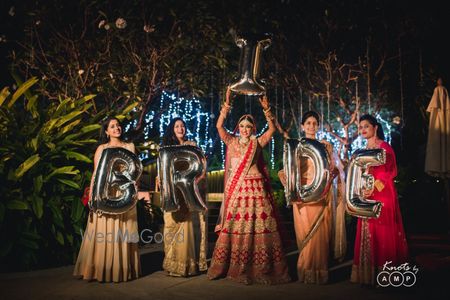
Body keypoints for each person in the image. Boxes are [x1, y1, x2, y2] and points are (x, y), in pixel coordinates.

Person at [207, 87, 291, 285]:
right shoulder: (231, 141)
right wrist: (227, 103)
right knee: (238, 227)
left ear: (252, 129)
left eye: (248, 126)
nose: (245, 129)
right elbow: (219, 126)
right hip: (238, 192)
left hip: (256, 190)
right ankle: (235, 266)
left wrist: (266, 109)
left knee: (262, 226)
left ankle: (263, 267)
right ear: (238, 127)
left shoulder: (256, 143)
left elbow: (271, 130)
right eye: (242, 126)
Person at [278, 111, 346, 284]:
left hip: (320, 195)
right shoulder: (296, 146)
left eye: (315, 123)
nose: (311, 126)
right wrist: (288, 182)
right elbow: (287, 170)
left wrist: (333, 174)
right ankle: (305, 271)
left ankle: (318, 272)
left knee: (320, 234)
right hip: (303, 196)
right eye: (308, 123)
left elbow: (335, 168)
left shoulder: (325, 146)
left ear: (318, 126)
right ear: (302, 126)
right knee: (305, 234)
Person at [73, 117, 140, 282]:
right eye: (112, 126)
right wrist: (92, 197)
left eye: (118, 125)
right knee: (104, 230)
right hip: (105, 195)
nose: (117, 128)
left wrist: (134, 189)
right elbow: (96, 174)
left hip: (124, 195)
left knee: (123, 230)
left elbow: (135, 172)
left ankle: (121, 269)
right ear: (107, 131)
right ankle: (99, 269)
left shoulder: (129, 147)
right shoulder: (102, 149)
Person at [351, 114, 408, 285]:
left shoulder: (384, 147)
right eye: (360, 127)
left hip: (382, 194)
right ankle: (369, 275)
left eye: (366, 126)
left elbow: (391, 171)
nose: (362, 130)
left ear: (375, 127)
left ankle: (386, 275)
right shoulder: (362, 150)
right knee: (369, 231)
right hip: (366, 194)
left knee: (383, 231)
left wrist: (374, 186)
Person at [158, 117, 207, 277]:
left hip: (187, 192)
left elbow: (201, 167)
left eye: (182, 126)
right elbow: (162, 169)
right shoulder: (165, 147)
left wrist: (196, 182)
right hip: (171, 192)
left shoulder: (192, 146)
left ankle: (186, 265)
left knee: (186, 226)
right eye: (177, 126)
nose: (180, 128)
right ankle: (172, 263)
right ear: (172, 129)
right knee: (171, 225)